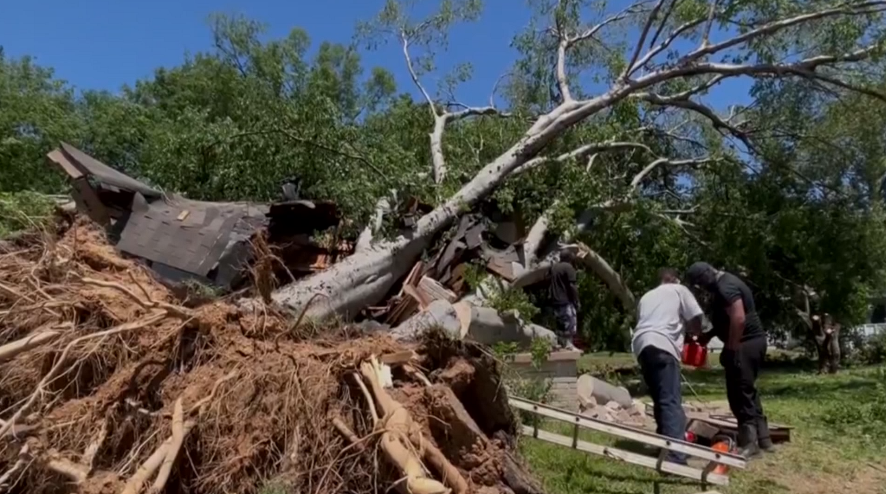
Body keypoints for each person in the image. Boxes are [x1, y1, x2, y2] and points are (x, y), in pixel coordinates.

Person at [685, 262, 773, 456]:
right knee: (747, 389)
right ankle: (765, 439)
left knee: (739, 393)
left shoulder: (726, 287)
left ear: (708, 274)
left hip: (745, 344)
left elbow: (739, 318)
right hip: (750, 342)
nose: (700, 287)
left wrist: (732, 348)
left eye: (700, 282)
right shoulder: (725, 284)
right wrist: (708, 336)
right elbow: (727, 319)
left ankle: (750, 444)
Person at [632, 268, 704, 465]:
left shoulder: (647, 296)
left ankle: (665, 445)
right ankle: (675, 456)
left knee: (660, 398)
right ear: (676, 279)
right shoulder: (679, 290)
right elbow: (696, 319)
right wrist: (696, 335)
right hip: (663, 345)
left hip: (641, 346)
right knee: (670, 400)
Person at [549, 251, 580, 350]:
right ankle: (569, 344)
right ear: (569, 258)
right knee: (570, 322)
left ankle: (562, 344)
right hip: (565, 300)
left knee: (560, 323)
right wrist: (576, 300)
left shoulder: (554, 268)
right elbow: (572, 285)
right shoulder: (568, 267)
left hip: (555, 300)